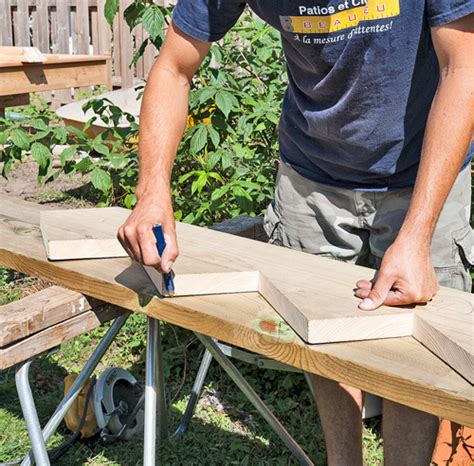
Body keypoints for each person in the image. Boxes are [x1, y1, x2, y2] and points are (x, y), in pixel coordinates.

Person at [118, 1, 474, 464]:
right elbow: (173, 66)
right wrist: (151, 192)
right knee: (321, 330)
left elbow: (463, 65)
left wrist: (418, 231)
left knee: (415, 346)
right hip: (311, 175)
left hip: (424, 170)